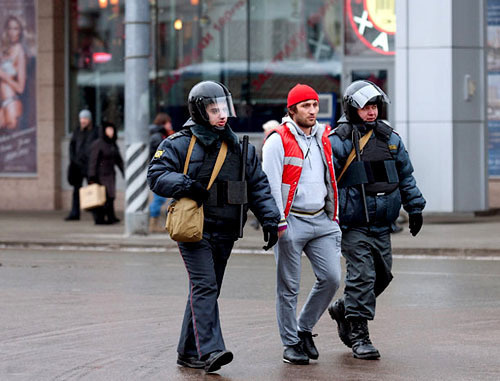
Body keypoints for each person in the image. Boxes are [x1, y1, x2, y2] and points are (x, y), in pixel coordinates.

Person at [147, 81, 280, 373]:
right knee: (205, 286)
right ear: (199, 111)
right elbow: (156, 174)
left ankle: (187, 351)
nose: (222, 115)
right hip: (195, 229)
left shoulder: (240, 146)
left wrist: (271, 219)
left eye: (224, 108)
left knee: (206, 289)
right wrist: (185, 185)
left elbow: (257, 186)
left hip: (226, 229)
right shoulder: (179, 142)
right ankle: (211, 350)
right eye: (213, 109)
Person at [327, 80, 426, 360]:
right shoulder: (339, 140)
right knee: (362, 276)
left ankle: (344, 308)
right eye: (365, 107)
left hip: (383, 223)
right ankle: (359, 334)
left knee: (382, 276)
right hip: (353, 223)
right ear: (351, 108)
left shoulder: (391, 138)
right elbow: (327, 182)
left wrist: (415, 208)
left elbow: (405, 175)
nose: (371, 112)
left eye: (374, 106)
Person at [262, 84, 342, 365]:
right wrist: (277, 223)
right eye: (306, 106)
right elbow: (269, 185)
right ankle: (290, 344)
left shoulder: (323, 137)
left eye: (315, 105)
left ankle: (303, 328)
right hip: (290, 221)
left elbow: (330, 178)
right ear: (292, 109)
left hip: (321, 218)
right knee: (288, 288)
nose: (312, 111)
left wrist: (334, 217)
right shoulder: (277, 141)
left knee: (332, 278)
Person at [88, 121, 124, 225]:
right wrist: (92, 177)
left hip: (110, 174)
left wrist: (124, 171)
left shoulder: (112, 144)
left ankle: (111, 217)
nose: (111, 132)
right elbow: (93, 161)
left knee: (110, 196)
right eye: (108, 130)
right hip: (100, 176)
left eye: (112, 130)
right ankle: (99, 219)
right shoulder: (98, 144)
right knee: (101, 197)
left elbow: (118, 159)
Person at [65, 109, 99, 221]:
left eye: (85, 118)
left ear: (89, 120)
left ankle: (96, 214)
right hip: (77, 166)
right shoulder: (77, 131)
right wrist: (73, 159)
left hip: (90, 165)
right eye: (81, 119)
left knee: (93, 189)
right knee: (76, 190)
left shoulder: (95, 131)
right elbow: (72, 146)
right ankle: (75, 213)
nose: (83, 121)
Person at [148, 112, 174, 232]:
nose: (170, 125)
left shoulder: (162, 136)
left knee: (161, 197)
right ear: (163, 123)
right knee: (159, 198)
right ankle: (153, 224)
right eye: (168, 122)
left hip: (163, 171)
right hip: (160, 172)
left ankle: (155, 223)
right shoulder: (158, 137)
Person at [0, 15, 27, 130]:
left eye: (16, 29)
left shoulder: (20, 51)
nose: (12, 32)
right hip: (2, 102)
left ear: (20, 32)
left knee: (13, 142)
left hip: (11, 102)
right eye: (10, 28)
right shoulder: (4, 49)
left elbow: (21, 88)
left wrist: (4, 76)